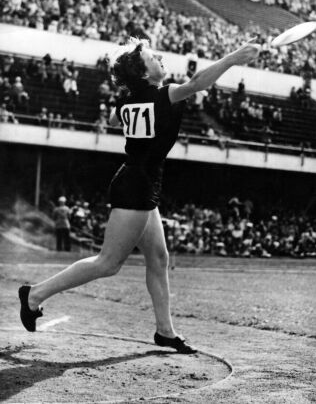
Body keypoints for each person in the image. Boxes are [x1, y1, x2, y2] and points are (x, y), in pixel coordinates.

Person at [18, 37, 260, 353]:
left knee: (158, 259)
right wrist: (232, 58)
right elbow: (198, 82)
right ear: (143, 73)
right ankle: (34, 295)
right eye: (151, 56)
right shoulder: (163, 96)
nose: (159, 56)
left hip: (141, 183)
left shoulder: (129, 100)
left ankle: (165, 331)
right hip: (136, 187)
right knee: (108, 263)